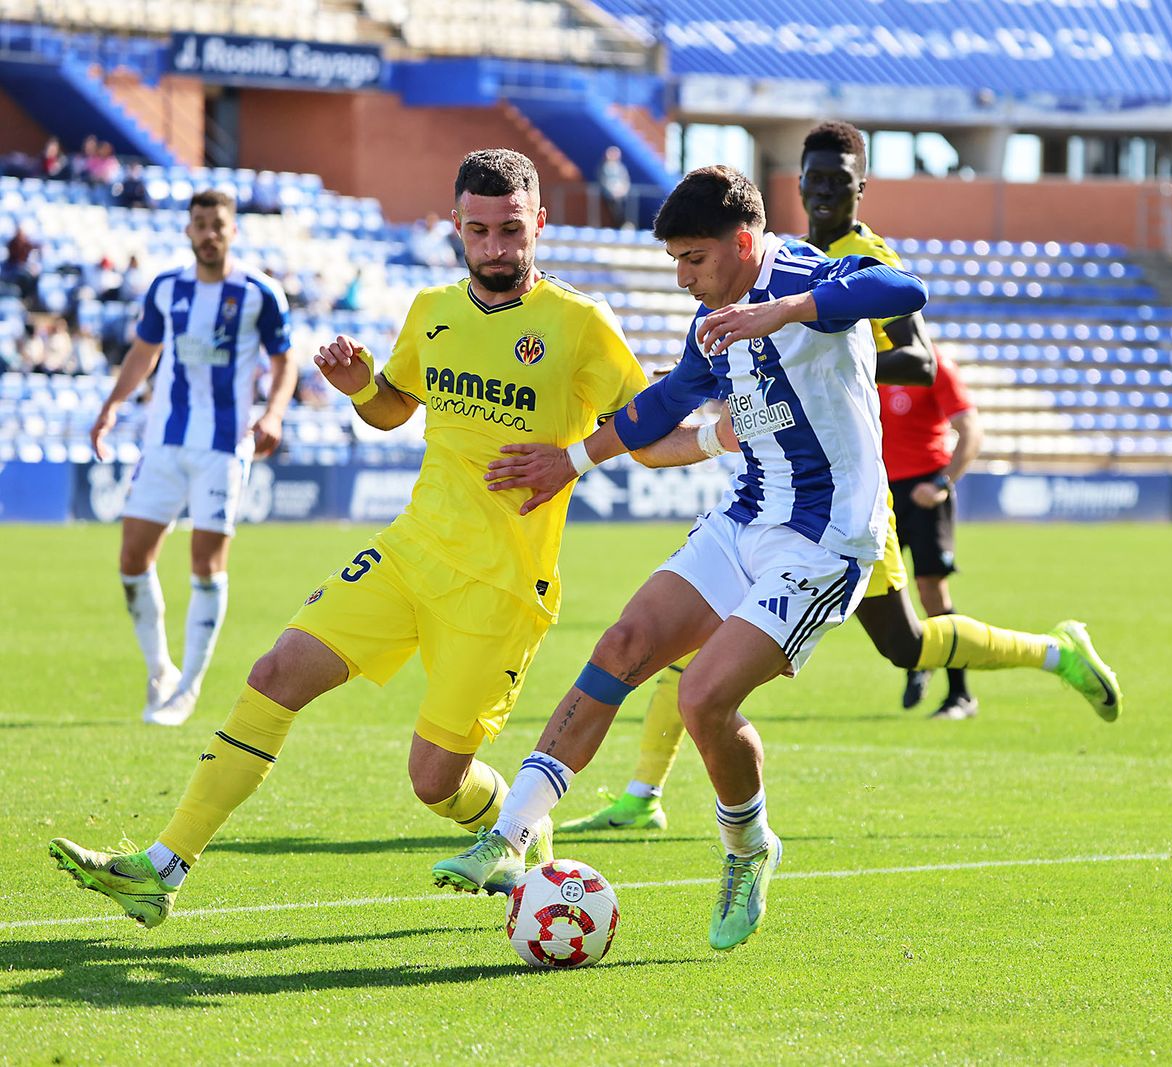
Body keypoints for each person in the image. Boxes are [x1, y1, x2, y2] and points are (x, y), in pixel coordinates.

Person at [48, 148, 647, 930]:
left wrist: (574, 458)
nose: (497, 248)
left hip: (501, 587)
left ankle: (525, 837)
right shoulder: (432, 309)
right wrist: (363, 384)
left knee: (434, 781)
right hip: (409, 550)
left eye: (511, 230)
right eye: (480, 231)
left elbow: (649, 416)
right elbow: (395, 406)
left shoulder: (579, 325)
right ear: (455, 227)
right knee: (275, 670)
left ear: (539, 222)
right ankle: (163, 867)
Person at [557, 119, 1121, 835]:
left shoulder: (856, 256)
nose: (822, 191)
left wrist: (802, 346)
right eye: (811, 178)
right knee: (692, 633)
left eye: (836, 180)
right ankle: (644, 788)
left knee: (903, 643)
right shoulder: (770, 258)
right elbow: (682, 390)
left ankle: (1053, 651)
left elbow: (915, 355)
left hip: (846, 491)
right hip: (781, 488)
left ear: (860, 186)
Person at [429, 164, 928, 950]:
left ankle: (748, 847)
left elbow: (904, 292)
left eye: (694, 259)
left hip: (827, 535)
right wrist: (572, 459)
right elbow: (662, 404)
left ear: (741, 241)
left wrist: (783, 312)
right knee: (621, 646)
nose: (685, 277)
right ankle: (513, 831)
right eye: (675, 263)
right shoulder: (712, 322)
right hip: (748, 516)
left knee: (701, 700)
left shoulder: (805, 273)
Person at [78, 190, 295, 729]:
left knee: (205, 563)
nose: (209, 233)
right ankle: (160, 672)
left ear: (233, 231)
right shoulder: (166, 288)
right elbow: (144, 352)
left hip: (223, 446)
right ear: (188, 232)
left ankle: (189, 687)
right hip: (164, 443)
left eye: (217, 224)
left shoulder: (259, 293)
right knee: (132, 559)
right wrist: (111, 407)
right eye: (199, 224)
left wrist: (274, 415)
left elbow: (283, 360)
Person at [884, 347, 984, 718]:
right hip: (880, 493)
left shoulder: (934, 365)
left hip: (925, 492)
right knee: (879, 591)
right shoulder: (866, 359)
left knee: (932, 592)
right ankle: (919, 656)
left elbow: (970, 429)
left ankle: (960, 695)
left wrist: (942, 483)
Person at [598, 145, 631, 228]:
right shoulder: (604, 167)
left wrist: (623, 190)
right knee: (613, 211)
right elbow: (603, 181)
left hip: (621, 194)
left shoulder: (621, 167)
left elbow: (625, 180)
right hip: (609, 194)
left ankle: (623, 225)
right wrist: (612, 191)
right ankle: (616, 225)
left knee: (621, 210)